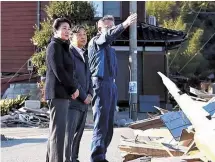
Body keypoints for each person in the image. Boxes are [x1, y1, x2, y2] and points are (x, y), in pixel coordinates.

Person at [88, 13, 137, 162]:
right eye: (107, 27)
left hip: (111, 85)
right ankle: (96, 158)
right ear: (99, 28)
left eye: (112, 26)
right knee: (101, 123)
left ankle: (102, 156)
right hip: (100, 84)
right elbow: (107, 36)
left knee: (109, 125)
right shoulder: (96, 41)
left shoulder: (109, 48)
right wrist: (124, 24)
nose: (110, 29)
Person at [45, 17, 80, 162]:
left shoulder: (64, 47)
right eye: (64, 28)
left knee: (56, 131)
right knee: (58, 133)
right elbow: (59, 71)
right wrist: (72, 89)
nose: (67, 31)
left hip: (62, 94)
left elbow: (69, 72)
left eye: (68, 28)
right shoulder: (54, 46)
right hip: (57, 93)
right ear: (56, 30)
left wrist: (71, 89)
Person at [64, 25, 93, 162]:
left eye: (85, 34)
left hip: (84, 102)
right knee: (69, 134)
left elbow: (89, 76)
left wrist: (90, 94)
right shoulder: (69, 52)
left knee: (78, 135)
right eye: (79, 34)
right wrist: (84, 95)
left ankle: (74, 158)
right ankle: (68, 159)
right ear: (71, 37)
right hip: (73, 101)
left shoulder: (84, 53)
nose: (83, 36)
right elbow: (71, 77)